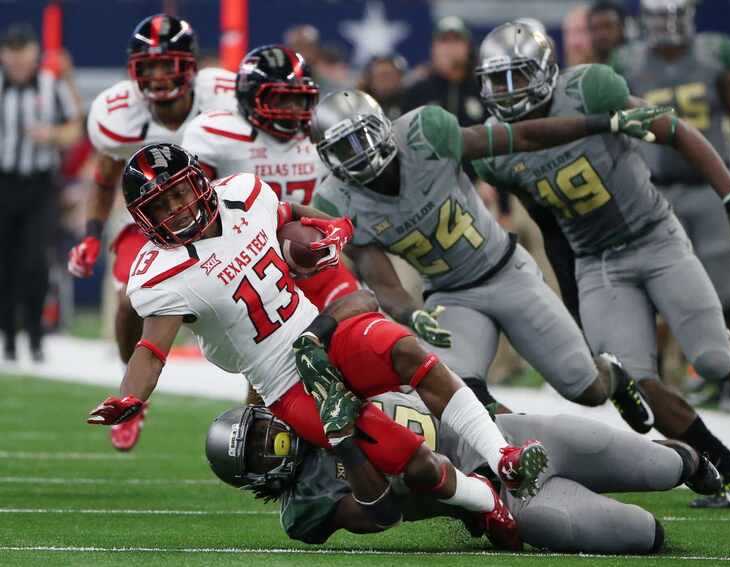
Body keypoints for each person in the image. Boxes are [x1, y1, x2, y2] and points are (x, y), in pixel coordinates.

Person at [84, 143, 550, 534]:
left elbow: (287, 212)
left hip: (321, 331)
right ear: (144, 219)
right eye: (160, 206)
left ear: (198, 182)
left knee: (409, 351)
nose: (176, 209)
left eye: (178, 193)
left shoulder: (242, 194)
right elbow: (152, 349)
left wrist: (326, 224)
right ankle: (484, 499)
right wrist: (131, 397)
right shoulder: (162, 273)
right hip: (286, 382)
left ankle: (502, 454)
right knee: (412, 463)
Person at [472, 21, 730, 508]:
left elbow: (675, 131)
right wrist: (573, 299)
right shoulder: (496, 150)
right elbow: (549, 225)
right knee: (635, 383)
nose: (510, 93)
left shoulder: (590, 88)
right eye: (499, 81)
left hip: (655, 238)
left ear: (548, 72)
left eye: (520, 77)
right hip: (599, 263)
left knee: (711, 360)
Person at [310, 89, 670, 430]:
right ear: (327, 157)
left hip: (506, 271)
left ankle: (611, 374)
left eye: (365, 136)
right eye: (344, 147)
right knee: (455, 393)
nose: (361, 152)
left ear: (384, 126)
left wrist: (599, 124)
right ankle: (528, 447)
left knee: (586, 390)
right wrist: (411, 314)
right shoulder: (335, 202)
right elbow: (383, 281)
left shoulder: (425, 134)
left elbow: (520, 137)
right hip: (450, 296)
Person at [205, 393, 720, 553]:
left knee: (664, 465)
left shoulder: (312, 382)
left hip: (510, 437)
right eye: (257, 453)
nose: (270, 443)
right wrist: (345, 441)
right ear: (255, 480)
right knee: (643, 536)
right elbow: (380, 513)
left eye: (261, 431)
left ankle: (690, 461)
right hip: (499, 500)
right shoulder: (306, 507)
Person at [66, 14, 237, 451]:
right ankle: (133, 396)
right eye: (151, 66)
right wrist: (90, 234)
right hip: (146, 224)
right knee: (128, 303)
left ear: (191, 65)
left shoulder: (225, 96)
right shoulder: (118, 114)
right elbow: (104, 178)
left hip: (217, 217)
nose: (160, 76)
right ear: (135, 71)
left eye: (169, 64)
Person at [182, 44, 361, 404]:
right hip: (253, 262)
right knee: (273, 366)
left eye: (300, 100)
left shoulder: (320, 134)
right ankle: (262, 439)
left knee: (356, 324)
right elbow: (197, 207)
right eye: (282, 98)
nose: (293, 110)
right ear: (250, 98)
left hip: (313, 252)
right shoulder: (218, 134)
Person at [613, 0, 730, 346]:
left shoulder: (715, 54)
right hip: (656, 190)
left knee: (729, 289)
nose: (664, 26)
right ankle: (663, 373)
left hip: (708, 185)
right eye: (657, 18)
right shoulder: (628, 61)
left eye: (670, 16)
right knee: (660, 288)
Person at [0, 22, 82, 362]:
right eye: (11, 51)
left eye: (24, 51)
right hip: (3, 183)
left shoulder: (51, 86)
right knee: (5, 263)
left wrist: (52, 135)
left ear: (35, 53)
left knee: (35, 263)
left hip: (39, 186)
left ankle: (34, 337)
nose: (18, 59)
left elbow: (75, 128)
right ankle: (7, 337)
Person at [402, 17, 484, 127]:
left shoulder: (482, 90)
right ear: (433, 48)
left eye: (456, 40)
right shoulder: (417, 93)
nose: (450, 48)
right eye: (444, 41)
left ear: (469, 47)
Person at [360, 55, 407, 120]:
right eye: (381, 75)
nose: (385, 80)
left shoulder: (409, 101)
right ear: (370, 78)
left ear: (399, 78)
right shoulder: (360, 103)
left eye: (389, 75)